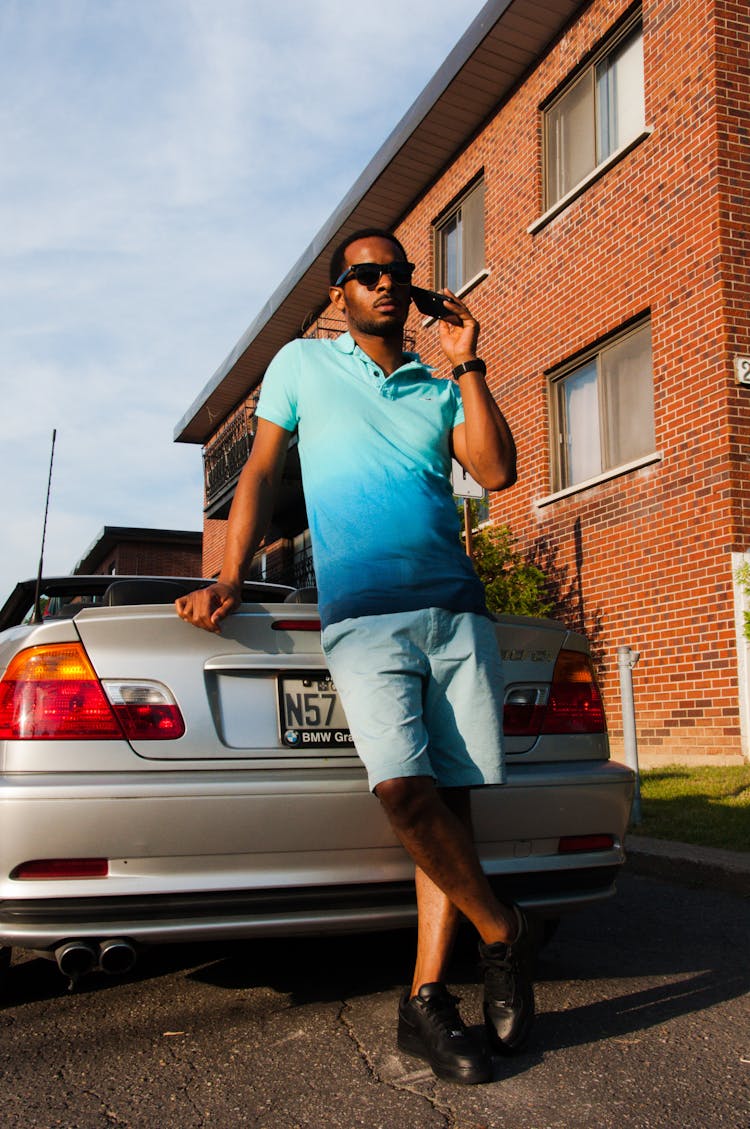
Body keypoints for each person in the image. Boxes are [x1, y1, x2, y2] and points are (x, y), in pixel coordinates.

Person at [175, 228, 534, 1086]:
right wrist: (229, 573)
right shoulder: (302, 365)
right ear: (339, 292)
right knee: (405, 796)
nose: (383, 285)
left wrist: (469, 361)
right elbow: (260, 471)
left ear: (412, 293)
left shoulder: (437, 387)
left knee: (451, 812)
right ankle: (504, 932)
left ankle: (427, 999)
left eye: (397, 276)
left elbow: (500, 470)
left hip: (453, 615)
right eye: (365, 275)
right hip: (365, 619)